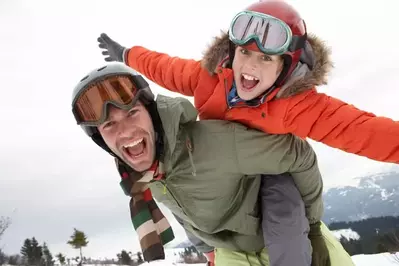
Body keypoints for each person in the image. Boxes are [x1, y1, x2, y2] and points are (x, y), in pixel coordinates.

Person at [70, 63, 354, 266]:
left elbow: (297, 154)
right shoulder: (146, 176)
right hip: (230, 254)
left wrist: (314, 227)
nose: (126, 132)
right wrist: (208, 251)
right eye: (109, 125)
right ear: (100, 139)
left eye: (132, 113)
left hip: (292, 240)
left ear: (151, 113)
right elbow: (183, 211)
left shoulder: (214, 143)